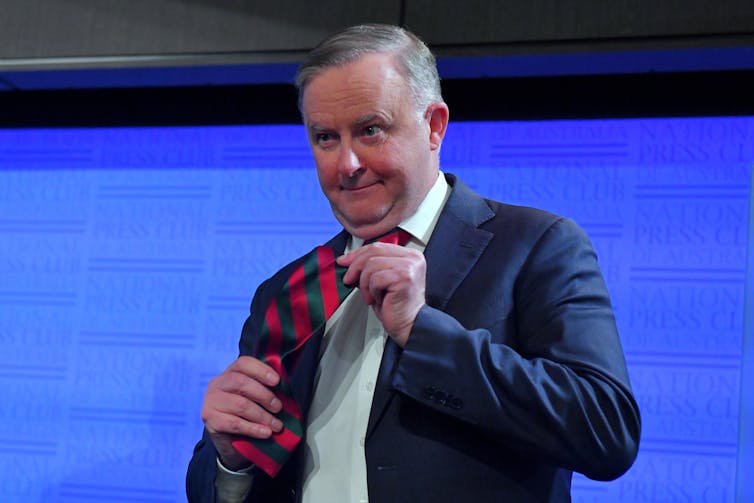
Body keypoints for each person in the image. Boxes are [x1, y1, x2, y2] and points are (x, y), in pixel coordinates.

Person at [186, 23, 640, 502]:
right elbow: (223, 486)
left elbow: (606, 430)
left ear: (434, 126)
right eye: (325, 138)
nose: (347, 163)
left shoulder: (539, 246)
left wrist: (420, 329)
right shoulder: (288, 290)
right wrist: (230, 460)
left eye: (371, 130)